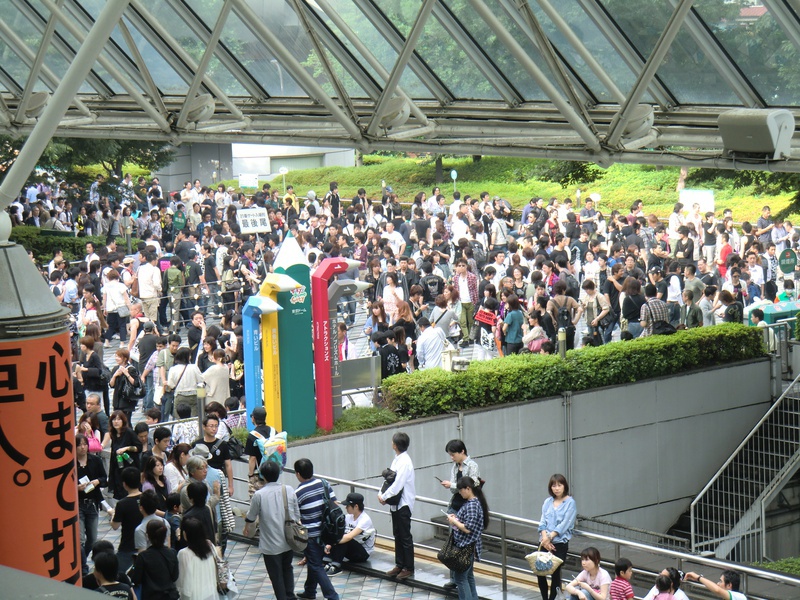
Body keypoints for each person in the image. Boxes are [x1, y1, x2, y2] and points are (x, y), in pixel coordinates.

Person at [244, 460, 302, 600]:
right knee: (287, 568)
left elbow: (251, 517)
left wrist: (247, 529)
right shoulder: (288, 489)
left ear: (263, 476)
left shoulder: (259, 495)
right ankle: (290, 596)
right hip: (288, 539)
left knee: (276, 575)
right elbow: (296, 514)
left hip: (270, 543)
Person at [294, 458, 340, 600]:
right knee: (314, 562)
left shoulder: (298, 493)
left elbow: (296, 517)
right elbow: (335, 503)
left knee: (316, 565)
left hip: (312, 535)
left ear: (298, 474)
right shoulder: (324, 483)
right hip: (326, 532)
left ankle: (332, 596)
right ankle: (309, 591)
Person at [379, 432, 416, 580]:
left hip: (404, 503)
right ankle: (399, 564)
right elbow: (388, 479)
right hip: (396, 503)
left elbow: (398, 484)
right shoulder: (397, 460)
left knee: (405, 536)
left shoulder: (405, 462)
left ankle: (409, 567)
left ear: (395, 445)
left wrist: (384, 497)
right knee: (397, 534)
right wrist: (382, 494)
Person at [445, 477, 489, 600]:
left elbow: (468, 528)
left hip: (466, 546)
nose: (460, 492)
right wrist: (456, 519)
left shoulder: (471, 505)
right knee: (468, 577)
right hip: (470, 546)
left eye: (461, 490)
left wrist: (454, 521)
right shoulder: (474, 503)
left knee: (460, 579)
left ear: (468, 489)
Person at [538, 474, 577, 600]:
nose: (556, 488)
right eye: (554, 485)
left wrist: (549, 537)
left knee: (555, 574)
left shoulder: (570, 503)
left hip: (559, 543)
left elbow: (564, 525)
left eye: (559, 485)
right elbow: (542, 522)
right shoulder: (547, 501)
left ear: (564, 486)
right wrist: (545, 539)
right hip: (544, 542)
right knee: (540, 572)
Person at [76, 433, 107, 577]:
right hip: (78, 504)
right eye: (80, 444)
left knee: (93, 538)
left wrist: (97, 482)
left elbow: (104, 478)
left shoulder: (95, 460)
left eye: (84, 444)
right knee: (80, 539)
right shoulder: (72, 464)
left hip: (92, 503)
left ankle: (81, 558)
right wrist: (76, 488)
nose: (83, 447)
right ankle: (83, 566)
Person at [323, 492, 375, 576]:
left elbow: (350, 536)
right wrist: (330, 543)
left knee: (345, 539)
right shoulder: (348, 517)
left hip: (362, 553)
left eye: (348, 506)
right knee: (334, 535)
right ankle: (327, 561)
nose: (346, 507)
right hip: (350, 549)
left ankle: (336, 565)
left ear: (356, 506)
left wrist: (333, 543)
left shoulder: (365, 519)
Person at [130, 519, 180, 600]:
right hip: (170, 596)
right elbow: (175, 576)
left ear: (148, 535)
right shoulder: (172, 553)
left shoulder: (143, 556)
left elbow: (136, 579)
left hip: (151, 596)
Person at [176, 517, 220, 600]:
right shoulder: (210, 546)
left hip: (195, 596)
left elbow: (183, 583)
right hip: (211, 594)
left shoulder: (184, 554)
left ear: (185, 534)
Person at [110, 466, 144, 573]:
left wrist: (112, 514)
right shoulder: (147, 497)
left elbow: (115, 526)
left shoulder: (122, 504)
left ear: (124, 484)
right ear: (140, 480)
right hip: (146, 544)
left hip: (128, 546)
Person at [102, 410, 142, 499]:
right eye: (114, 419)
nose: (116, 422)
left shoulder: (129, 432)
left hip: (129, 466)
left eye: (118, 419)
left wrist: (126, 448)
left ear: (123, 421)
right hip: (118, 468)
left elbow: (139, 447)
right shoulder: (114, 434)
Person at [246, 406, 277, 494]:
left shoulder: (252, 436)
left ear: (253, 418)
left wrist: (250, 474)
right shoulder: (273, 431)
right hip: (273, 471)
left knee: (257, 500)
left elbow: (252, 458)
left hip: (259, 474)